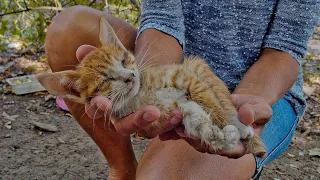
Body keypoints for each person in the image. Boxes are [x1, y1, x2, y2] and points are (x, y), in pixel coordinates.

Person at [45, 1, 319, 179]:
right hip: (174, 67)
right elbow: (162, 21)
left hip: (261, 85)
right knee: (69, 27)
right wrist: (156, 87)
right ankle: (123, 168)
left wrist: (234, 106)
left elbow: (284, 50)